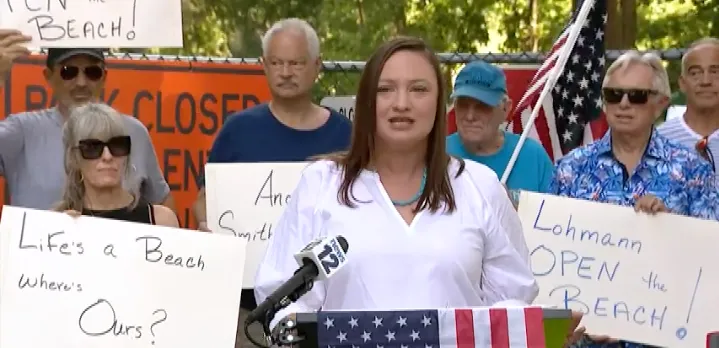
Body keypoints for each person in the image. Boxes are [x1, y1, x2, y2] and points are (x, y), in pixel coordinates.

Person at [254, 35, 540, 338]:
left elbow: (512, 303)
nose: (401, 103)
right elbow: (284, 302)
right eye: (385, 89)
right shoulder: (321, 185)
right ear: (366, 101)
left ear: (441, 102)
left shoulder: (480, 186)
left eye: (419, 89)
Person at [190, 18, 352, 348]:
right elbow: (204, 198)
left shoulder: (347, 136)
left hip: (327, 308)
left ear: (316, 66)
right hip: (250, 310)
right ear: (263, 66)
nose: (286, 72)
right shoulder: (237, 131)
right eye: (276, 63)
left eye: (295, 63)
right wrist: (207, 223)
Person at [553, 51, 718, 348]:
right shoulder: (570, 168)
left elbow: (711, 258)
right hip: (584, 340)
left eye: (638, 96)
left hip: (667, 339)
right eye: (614, 95)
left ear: (661, 103)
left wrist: (671, 226)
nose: (624, 104)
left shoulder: (693, 169)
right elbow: (550, 256)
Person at [0, 31, 175, 212]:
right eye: (69, 72)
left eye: (92, 72)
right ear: (48, 76)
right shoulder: (22, 131)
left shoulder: (133, 132)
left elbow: (162, 201)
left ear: (104, 77)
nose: (81, 82)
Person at [446, 61, 553, 205]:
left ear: (505, 109)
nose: (470, 116)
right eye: (463, 104)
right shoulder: (437, 155)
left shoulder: (533, 157)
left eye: (482, 106)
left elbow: (556, 216)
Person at [54, 103, 179, 227]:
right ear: (75, 158)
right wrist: (62, 230)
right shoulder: (55, 222)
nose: (107, 156)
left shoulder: (161, 220)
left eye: (117, 145)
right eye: (92, 148)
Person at [658, 37, 719, 179]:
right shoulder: (659, 141)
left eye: (715, 72)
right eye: (695, 73)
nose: (705, 81)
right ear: (682, 83)